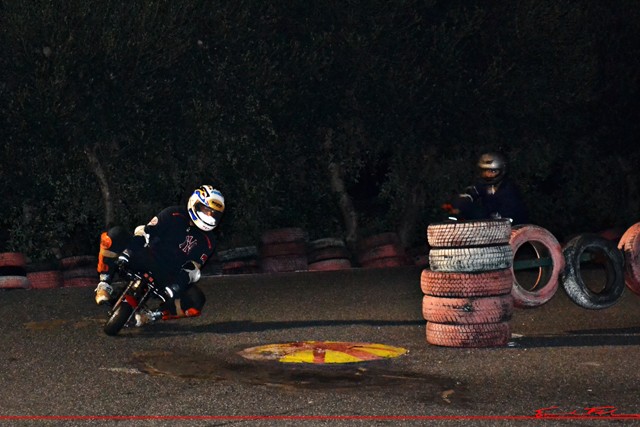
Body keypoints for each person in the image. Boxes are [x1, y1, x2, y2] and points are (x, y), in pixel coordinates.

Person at [94, 185, 225, 327]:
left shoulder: (209, 241)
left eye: (214, 214)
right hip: (147, 256)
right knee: (114, 235)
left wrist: (176, 286)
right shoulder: (173, 213)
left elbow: (192, 269)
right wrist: (128, 252)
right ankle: (104, 283)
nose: (209, 216)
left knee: (196, 300)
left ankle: (152, 315)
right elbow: (146, 232)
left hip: (168, 275)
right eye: (206, 210)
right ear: (195, 203)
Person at [444, 152, 529, 225]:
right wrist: (459, 205)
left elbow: (511, 215)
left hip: (511, 226)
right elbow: (469, 194)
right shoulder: (483, 185)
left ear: (501, 171)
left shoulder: (509, 190)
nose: (488, 175)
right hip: (488, 222)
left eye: (493, 171)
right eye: (485, 171)